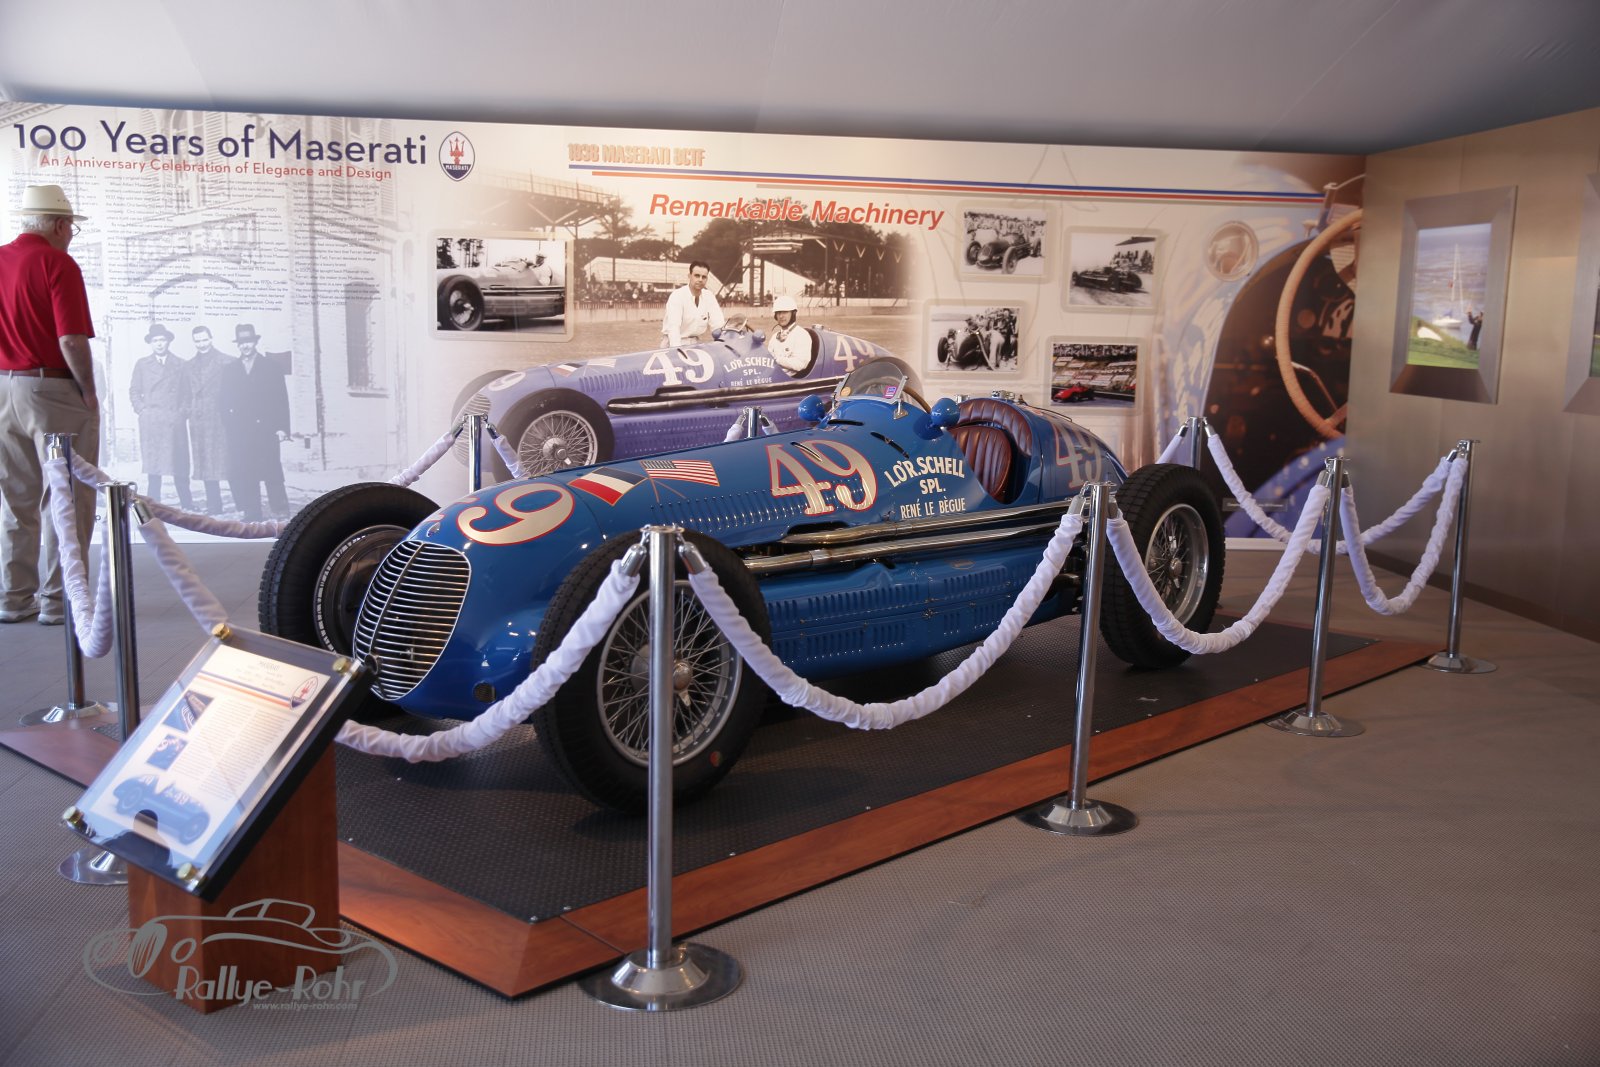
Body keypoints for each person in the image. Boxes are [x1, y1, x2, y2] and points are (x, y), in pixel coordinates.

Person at [0, 185, 100, 625]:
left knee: (16, 498)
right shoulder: (57, 263)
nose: (71, 236)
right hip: (51, 390)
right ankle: (60, 600)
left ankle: (14, 597)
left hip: (4, 388)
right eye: (72, 228)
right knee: (68, 496)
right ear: (60, 225)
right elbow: (70, 339)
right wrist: (88, 391)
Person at [224, 323, 290, 520]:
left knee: (272, 470)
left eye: (248, 341)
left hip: (267, 429)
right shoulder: (230, 370)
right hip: (242, 431)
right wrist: (231, 426)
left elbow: (281, 400)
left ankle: (280, 509)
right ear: (238, 345)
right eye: (242, 342)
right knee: (247, 472)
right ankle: (252, 512)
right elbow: (223, 402)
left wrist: (282, 428)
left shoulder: (271, 367)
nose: (245, 346)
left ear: (255, 342)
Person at [128, 323, 193, 509]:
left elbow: (187, 394)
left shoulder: (181, 364)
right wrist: (142, 410)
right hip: (152, 421)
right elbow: (134, 391)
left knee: (180, 464)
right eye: (155, 340)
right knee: (154, 466)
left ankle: (187, 502)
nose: (159, 344)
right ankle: (153, 503)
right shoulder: (142, 364)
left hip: (174, 420)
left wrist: (181, 414)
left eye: (162, 340)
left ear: (168, 341)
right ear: (151, 343)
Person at [185, 325, 237, 514]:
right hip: (199, 420)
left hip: (221, 418)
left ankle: (242, 503)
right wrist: (190, 410)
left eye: (204, 340)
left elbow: (236, 392)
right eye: (197, 341)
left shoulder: (227, 361)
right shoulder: (189, 365)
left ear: (211, 338)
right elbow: (185, 392)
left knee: (228, 461)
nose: (202, 344)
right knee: (206, 463)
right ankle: (214, 505)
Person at [659, 260, 724, 348]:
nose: (700, 280)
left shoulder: (709, 296)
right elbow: (673, 328)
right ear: (689, 276)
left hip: (695, 343)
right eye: (697, 276)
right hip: (673, 343)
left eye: (704, 277)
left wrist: (723, 340)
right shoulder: (677, 296)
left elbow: (718, 324)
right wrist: (676, 350)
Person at [767, 294, 816, 377]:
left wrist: (777, 360)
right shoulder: (774, 337)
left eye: (785, 312)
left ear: (793, 314)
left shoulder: (801, 335)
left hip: (790, 379)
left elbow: (800, 364)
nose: (781, 316)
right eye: (778, 313)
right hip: (773, 376)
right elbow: (767, 360)